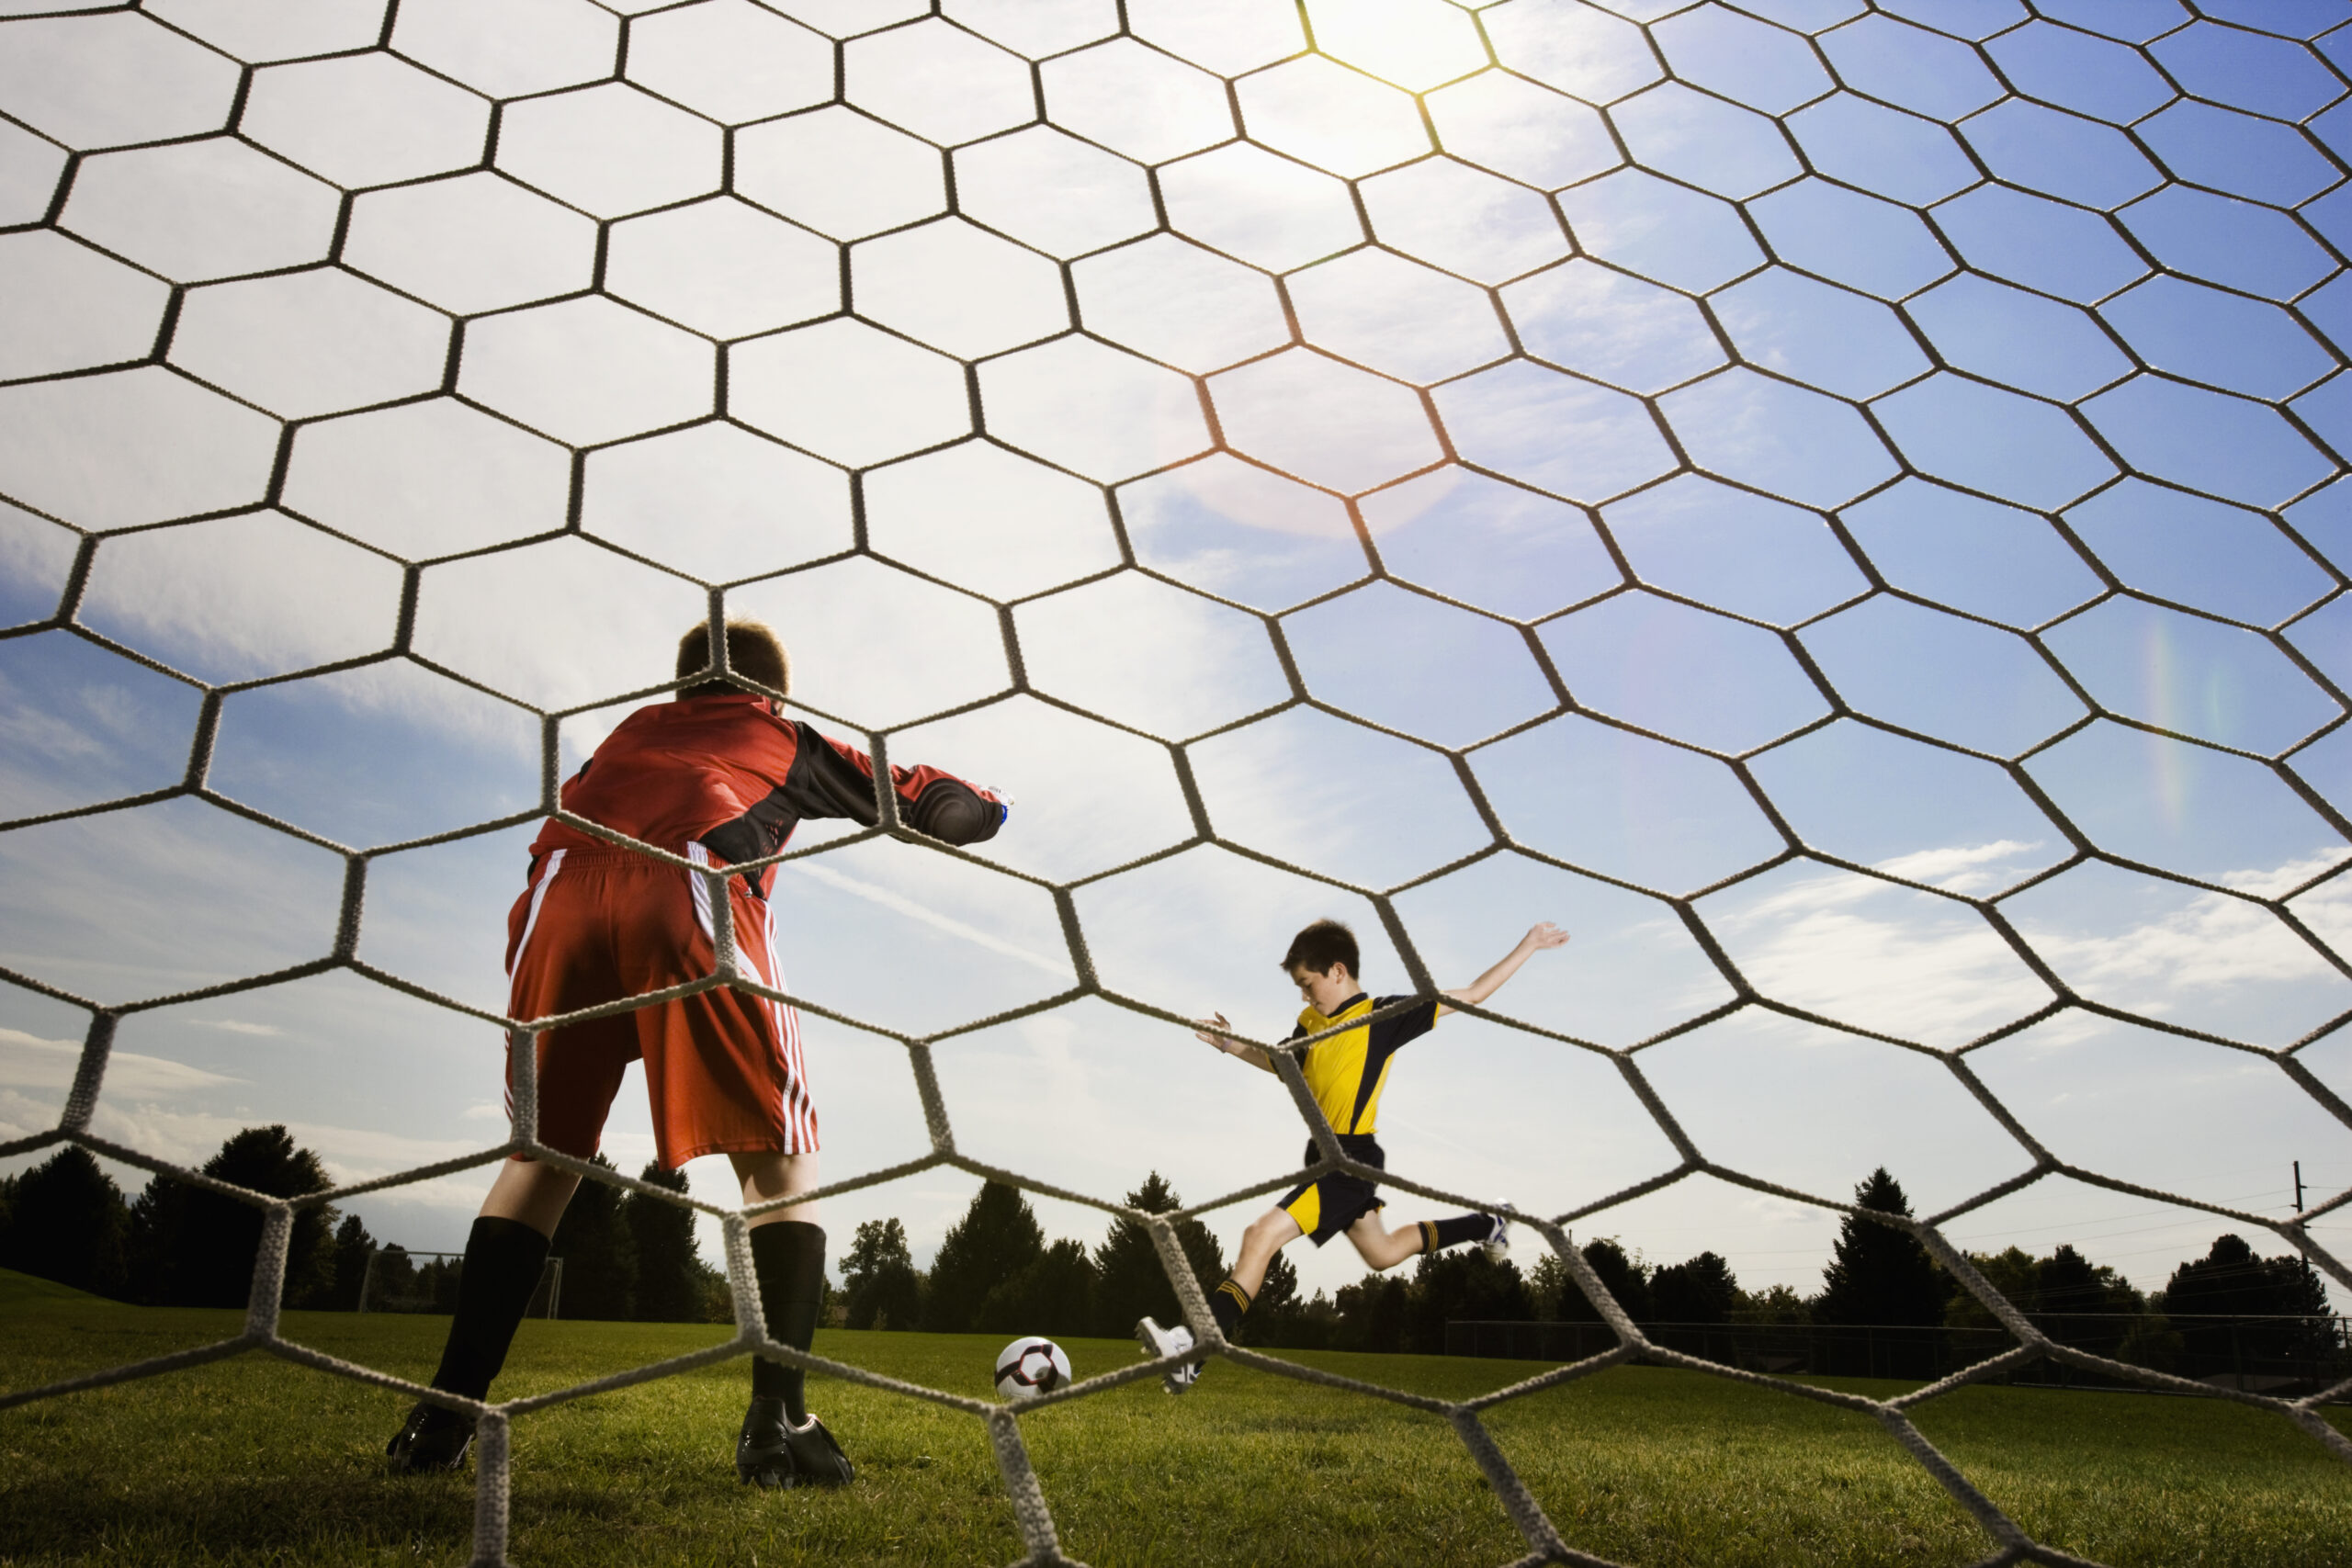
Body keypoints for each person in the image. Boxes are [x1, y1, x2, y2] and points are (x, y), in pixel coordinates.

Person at [386, 619, 1007, 1485]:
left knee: (539, 1159)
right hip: (688, 884)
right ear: (773, 694)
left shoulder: (626, 734)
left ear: (682, 688)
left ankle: (442, 1417)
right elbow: (935, 802)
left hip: (554, 904)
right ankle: (779, 1421)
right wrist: (989, 809)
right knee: (778, 1168)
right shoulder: (781, 735)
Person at [1138, 917, 1567, 1391]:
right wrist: (1229, 1042)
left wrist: (1527, 943)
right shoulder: (1310, 1023)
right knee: (1382, 1254)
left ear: (1337, 971)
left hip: (1350, 1161)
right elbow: (1283, 1063)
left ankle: (1193, 1350)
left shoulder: (1381, 1018)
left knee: (1259, 1235)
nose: (1304, 995)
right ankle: (1488, 1223)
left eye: (1308, 983)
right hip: (1324, 1157)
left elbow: (1473, 994)